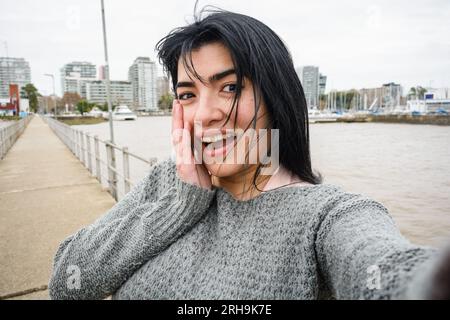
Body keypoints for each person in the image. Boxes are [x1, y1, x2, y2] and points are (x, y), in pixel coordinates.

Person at [48, 7, 449, 300]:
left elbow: (382, 264)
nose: (205, 114)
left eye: (231, 87)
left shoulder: (326, 217)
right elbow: (67, 281)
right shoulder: (166, 182)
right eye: (188, 94)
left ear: (277, 97)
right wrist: (179, 206)